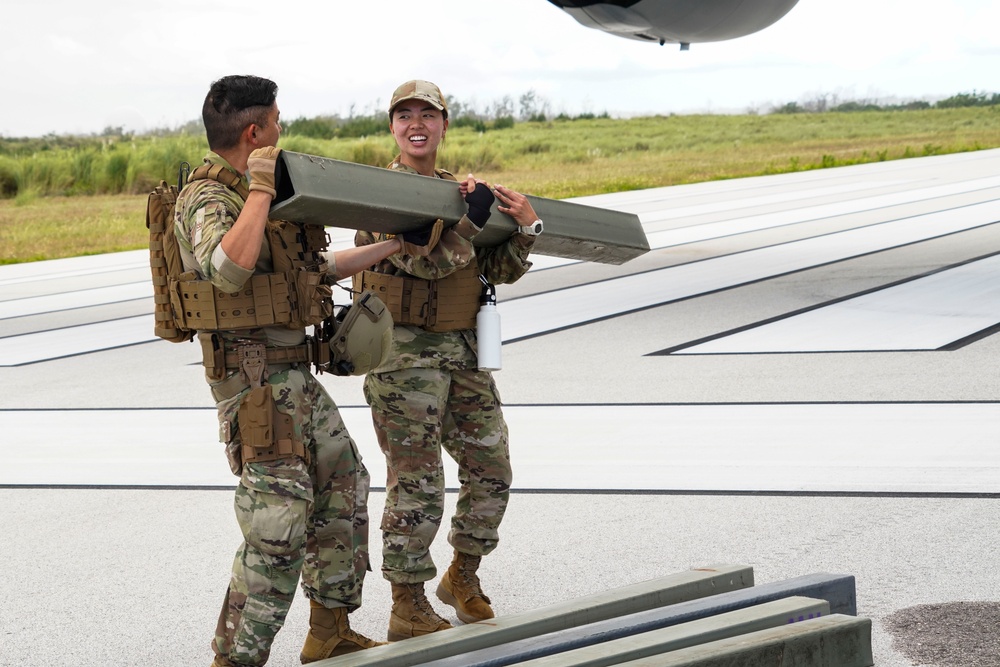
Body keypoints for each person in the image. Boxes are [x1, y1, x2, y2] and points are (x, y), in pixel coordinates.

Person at [174, 75, 418, 667]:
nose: (282, 134)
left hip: (296, 381)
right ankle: (235, 660)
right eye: (276, 124)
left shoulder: (261, 198)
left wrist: (391, 245)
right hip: (256, 389)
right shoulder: (208, 199)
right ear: (255, 133)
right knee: (277, 530)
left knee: (344, 486)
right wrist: (260, 188)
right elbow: (226, 269)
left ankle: (329, 628)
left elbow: (314, 269)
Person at [354, 80, 542, 641]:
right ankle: (407, 603)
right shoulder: (376, 193)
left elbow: (494, 270)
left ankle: (463, 575)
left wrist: (527, 227)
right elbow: (422, 264)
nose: (417, 124)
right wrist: (471, 219)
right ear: (392, 127)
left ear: (443, 124)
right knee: (417, 481)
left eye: (427, 115)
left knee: (493, 468)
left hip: (461, 352)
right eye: (404, 115)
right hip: (402, 358)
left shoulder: (458, 191)